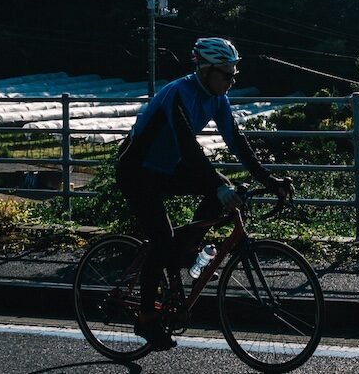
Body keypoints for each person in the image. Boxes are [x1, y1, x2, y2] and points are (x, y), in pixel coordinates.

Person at [113, 36, 289, 350]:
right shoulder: (178, 94)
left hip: (168, 167)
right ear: (206, 70)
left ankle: (187, 249)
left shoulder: (218, 98)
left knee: (218, 188)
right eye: (227, 75)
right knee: (162, 241)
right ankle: (146, 318)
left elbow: (238, 143)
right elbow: (188, 147)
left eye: (235, 75)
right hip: (137, 171)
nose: (232, 81)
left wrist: (270, 180)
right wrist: (217, 187)